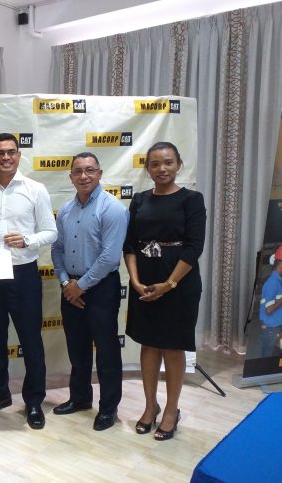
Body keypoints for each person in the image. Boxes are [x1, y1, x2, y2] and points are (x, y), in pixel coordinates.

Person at [0, 133, 57, 429]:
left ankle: (33, 401)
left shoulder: (35, 189)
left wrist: (27, 240)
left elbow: (51, 231)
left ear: (19, 155)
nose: (5, 157)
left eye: (10, 152)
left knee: (31, 340)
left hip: (24, 274)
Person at [124, 141, 206, 441]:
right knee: (148, 345)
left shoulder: (192, 200)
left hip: (179, 284)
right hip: (145, 283)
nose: (162, 169)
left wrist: (169, 284)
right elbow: (130, 244)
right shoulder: (140, 200)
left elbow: (194, 247)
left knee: (172, 347)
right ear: (147, 168)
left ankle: (171, 410)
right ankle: (150, 407)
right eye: (156, 164)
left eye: (168, 162)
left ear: (179, 164)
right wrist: (134, 281)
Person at [51, 152, 129, 431]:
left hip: (100, 288)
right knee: (77, 349)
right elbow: (56, 249)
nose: (83, 176)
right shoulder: (65, 210)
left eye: (89, 170)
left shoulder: (113, 209)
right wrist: (65, 283)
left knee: (106, 351)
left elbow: (109, 258)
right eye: (78, 172)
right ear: (70, 176)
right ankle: (81, 398)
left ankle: (109, 409)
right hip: (69, 286)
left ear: (99, 173)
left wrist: (79, 286)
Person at [259, 246, 282, 357]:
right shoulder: (272, 283)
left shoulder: (278, 282)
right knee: (266, 361)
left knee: (276, 359)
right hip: (271, 330)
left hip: (276, 327)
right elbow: (268, 310)